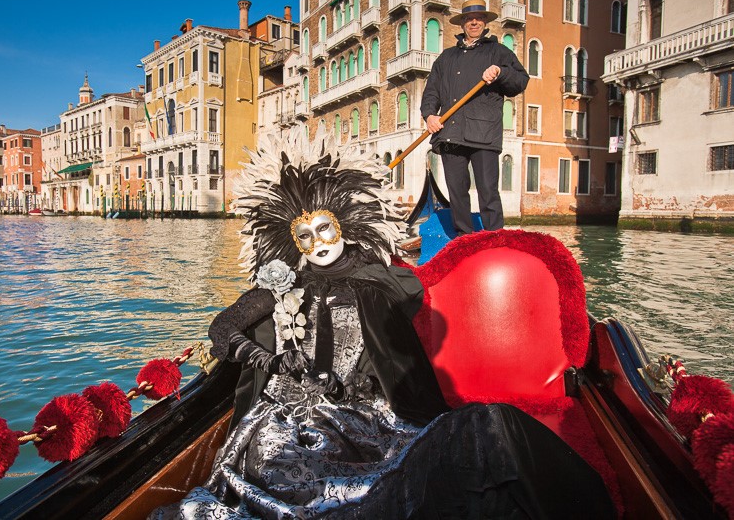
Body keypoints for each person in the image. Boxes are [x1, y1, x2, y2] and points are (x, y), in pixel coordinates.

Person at [149, 128, 615, 519]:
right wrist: (266, 358)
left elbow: (401, 326)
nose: (317, 243)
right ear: (293, 241)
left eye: (325, 229)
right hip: (290, 418)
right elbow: (222, 327)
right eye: (304, 236)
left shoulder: (380, 280)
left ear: (345, 224)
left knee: (486, 429)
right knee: (276, 462)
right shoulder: (280, 284)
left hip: (368, 416)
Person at [421, 0, 530, 235]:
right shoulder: (446, 58)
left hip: (484, 133)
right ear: (462, 24)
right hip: (450, 132)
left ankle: (494, 238)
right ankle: (463, 239)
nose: (473, 22)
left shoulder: (499, 52)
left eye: (478, 18)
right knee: (457, 193)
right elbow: (432, 91)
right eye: (469, 19)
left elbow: (520, 81)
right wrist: (430, 115)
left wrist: (502, 72)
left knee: (488, 191)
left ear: (484, 22)